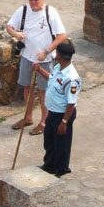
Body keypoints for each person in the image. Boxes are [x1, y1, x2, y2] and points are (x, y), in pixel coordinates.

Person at [6, 0, 66, 135]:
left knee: (44, 91)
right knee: (27, 87)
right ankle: (28, 117)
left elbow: (62, 36)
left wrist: (46, 52)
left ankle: (44, 122)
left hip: (44, 59)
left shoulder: (50, 13)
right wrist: (15, 34)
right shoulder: (23, 10)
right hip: (27, 56)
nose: (33, 2)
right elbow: (9, 26)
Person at [32, 39, 81, 177]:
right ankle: (49, 166)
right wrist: (40, 70)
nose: (55, 55)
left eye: (57, 53)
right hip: (52, 112)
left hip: (62, 114)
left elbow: (71, 103)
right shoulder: (58, 67)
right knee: (49, 141)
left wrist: (64, 122)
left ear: (61, 56)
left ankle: (61, 170)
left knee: (61, 144)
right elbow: (52, 79)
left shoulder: (71, 78)